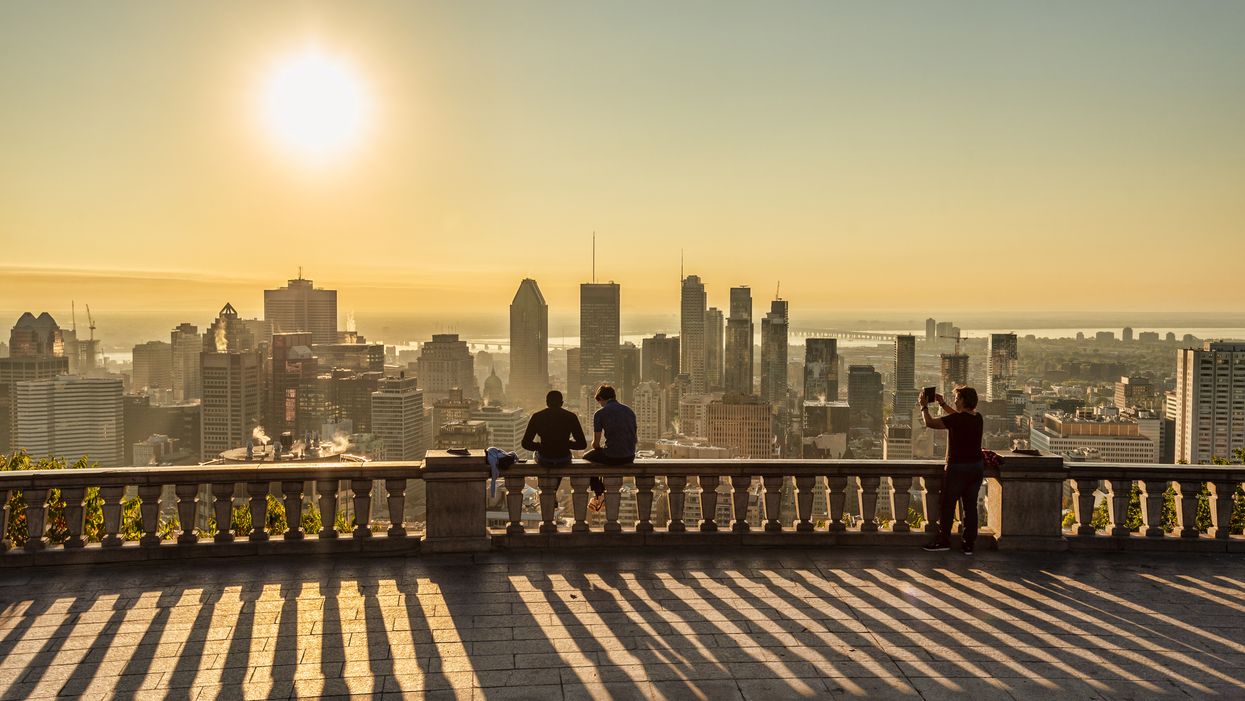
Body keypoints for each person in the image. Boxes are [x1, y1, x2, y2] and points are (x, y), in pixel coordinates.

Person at [919, 386, 984, 554]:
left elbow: (930, 423)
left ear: (963, 400)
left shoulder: (957, 420)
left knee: (947, 505)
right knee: (970, 507)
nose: (955, 400)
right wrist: (943, 403)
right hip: (976, 467)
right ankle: (969, 543)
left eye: (957, 398)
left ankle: (944, 541)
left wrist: (923, 406)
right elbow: (958, 416)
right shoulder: (978, 418)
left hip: (957, 468)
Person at [582, 384, 637, 512]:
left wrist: (596, 446)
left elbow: (596, 443)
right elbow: (634, 437)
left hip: (613, 456)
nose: (600, 405)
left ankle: (598, 494)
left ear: (601, 398)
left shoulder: (600, 413)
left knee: (587, 458)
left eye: (600, 402)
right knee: (602, 455)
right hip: (630, 455)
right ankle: (599, 494)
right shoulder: (629, 411)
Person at [521, 390, 588, 466]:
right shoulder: (571, 416)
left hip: (545, 458)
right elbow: (582, 444)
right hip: (564, 459)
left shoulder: (537, 417)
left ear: (547, 402)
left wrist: (542, 446)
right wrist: (565, 444)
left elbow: (525, 443)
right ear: (562, 403)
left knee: (535, 454)